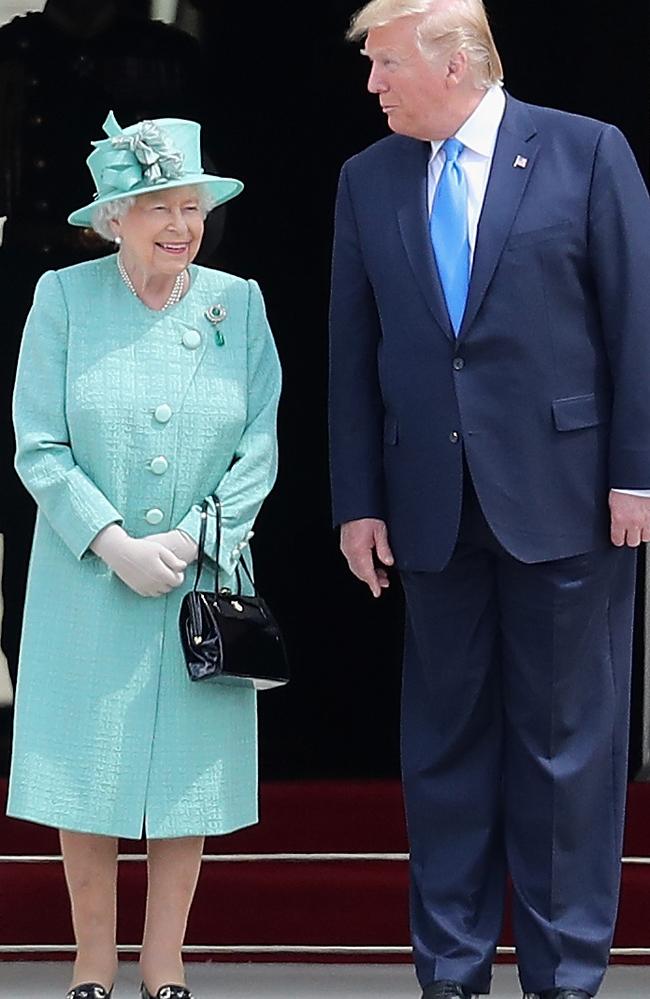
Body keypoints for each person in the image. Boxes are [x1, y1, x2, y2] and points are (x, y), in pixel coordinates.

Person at [328, 2, 650, 998]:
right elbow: (351, 350)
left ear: (456, 62)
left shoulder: (585, 152)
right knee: (444, 754)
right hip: (427, 504)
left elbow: (635, 320)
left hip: (567, 502)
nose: (372, 84)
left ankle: (563, 977)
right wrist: (355, 501)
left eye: (384, 65)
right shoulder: (365, 176)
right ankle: (452, 974)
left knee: (564, 754)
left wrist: (633, 473)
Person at [7, 111, 281, 999]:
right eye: (155, 205)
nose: (180, 225)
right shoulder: (62, 297)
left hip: (197, 582)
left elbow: (262, 442)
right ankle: (92, 964)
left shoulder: (237, 303)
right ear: (110, 216)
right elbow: (37, 443)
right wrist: (111, 539)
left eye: (192, 206)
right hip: (88, 579)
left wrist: (203, 533)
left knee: (184, 781)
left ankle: (164, 967)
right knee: (84, 774)